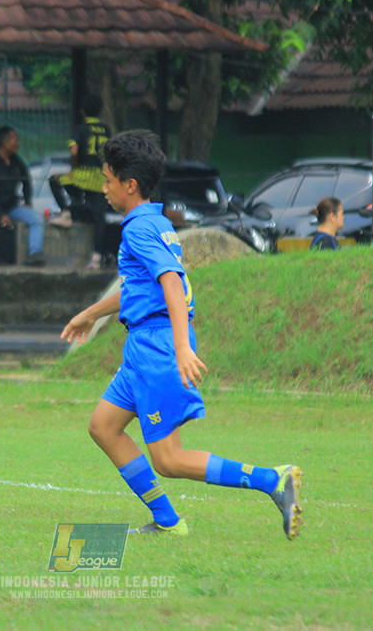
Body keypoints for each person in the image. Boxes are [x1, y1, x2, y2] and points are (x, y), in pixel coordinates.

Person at [60, 130, 303, 539]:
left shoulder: (138, 229)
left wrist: (180, 349)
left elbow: (172, 283)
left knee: (169, 460)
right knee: (103, 426)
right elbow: (142, 288)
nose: (103, 188)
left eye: (107, 180)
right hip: (142, 347)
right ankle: (167, 522)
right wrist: (91, 314)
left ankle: (272, 480)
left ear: (129, 185)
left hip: (158, 347)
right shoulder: (154, 222)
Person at [48, 93, 111, 270]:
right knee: (99, 216)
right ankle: (97, 257)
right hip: (100, 178)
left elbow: (74, 151)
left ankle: (66, 213)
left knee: (55, 181)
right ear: (100, 111)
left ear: (82, 111)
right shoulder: (106, 129)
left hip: (82, 175)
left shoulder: (80, 129)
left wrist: (74, 169)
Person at [0, 126, 45, 266]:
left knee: (37, 218)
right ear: (4, 142)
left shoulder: (17, 161)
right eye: (15, 140)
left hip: (11, 206)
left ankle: (35, 253)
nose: (18, 143)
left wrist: (27, 201)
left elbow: (26, 181)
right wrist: (0, 214)